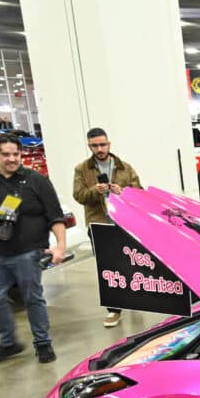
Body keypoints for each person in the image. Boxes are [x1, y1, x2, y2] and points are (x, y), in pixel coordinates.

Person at [0, 132, 67, 363]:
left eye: (16, 154)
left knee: (32, 297)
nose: (13, 159)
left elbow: (56, 217)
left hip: (28, 252)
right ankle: (9, 343)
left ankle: (42, 343)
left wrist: (60, 247)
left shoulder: (37, 181)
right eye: (6, 155)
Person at [72, 127, 141, 327]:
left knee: (131, 263)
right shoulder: (82, 169)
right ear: (89, 146)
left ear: (109, 144)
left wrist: (123, 191)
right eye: (95, 145)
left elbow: (139, 192)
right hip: (99, 224)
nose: (100, 148)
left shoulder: (124, 167)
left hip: (124, 224)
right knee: (107, 267)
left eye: (103, 144)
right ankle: (114, 310)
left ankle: (137, 297)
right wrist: (94, 191)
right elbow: (78, 196)